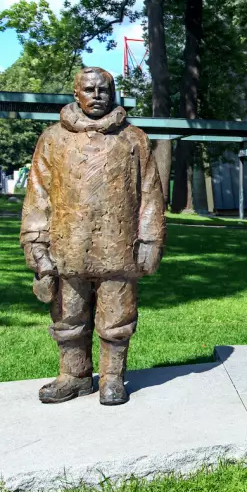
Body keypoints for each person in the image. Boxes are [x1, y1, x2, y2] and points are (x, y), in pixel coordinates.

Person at [20, 67, 165, 405]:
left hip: (119, 246)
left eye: (104, 89)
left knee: (117, 317)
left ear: (112, 93)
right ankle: (74, 374)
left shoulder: (133, 138)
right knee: (68, 316)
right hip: (66, 247)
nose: (97, 95)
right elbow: (38, 194)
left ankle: (113, 377)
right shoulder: (52, 139)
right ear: (76, 94)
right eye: (89, 89)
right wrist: (36, 242)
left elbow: (150, 194)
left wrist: (150, 239)